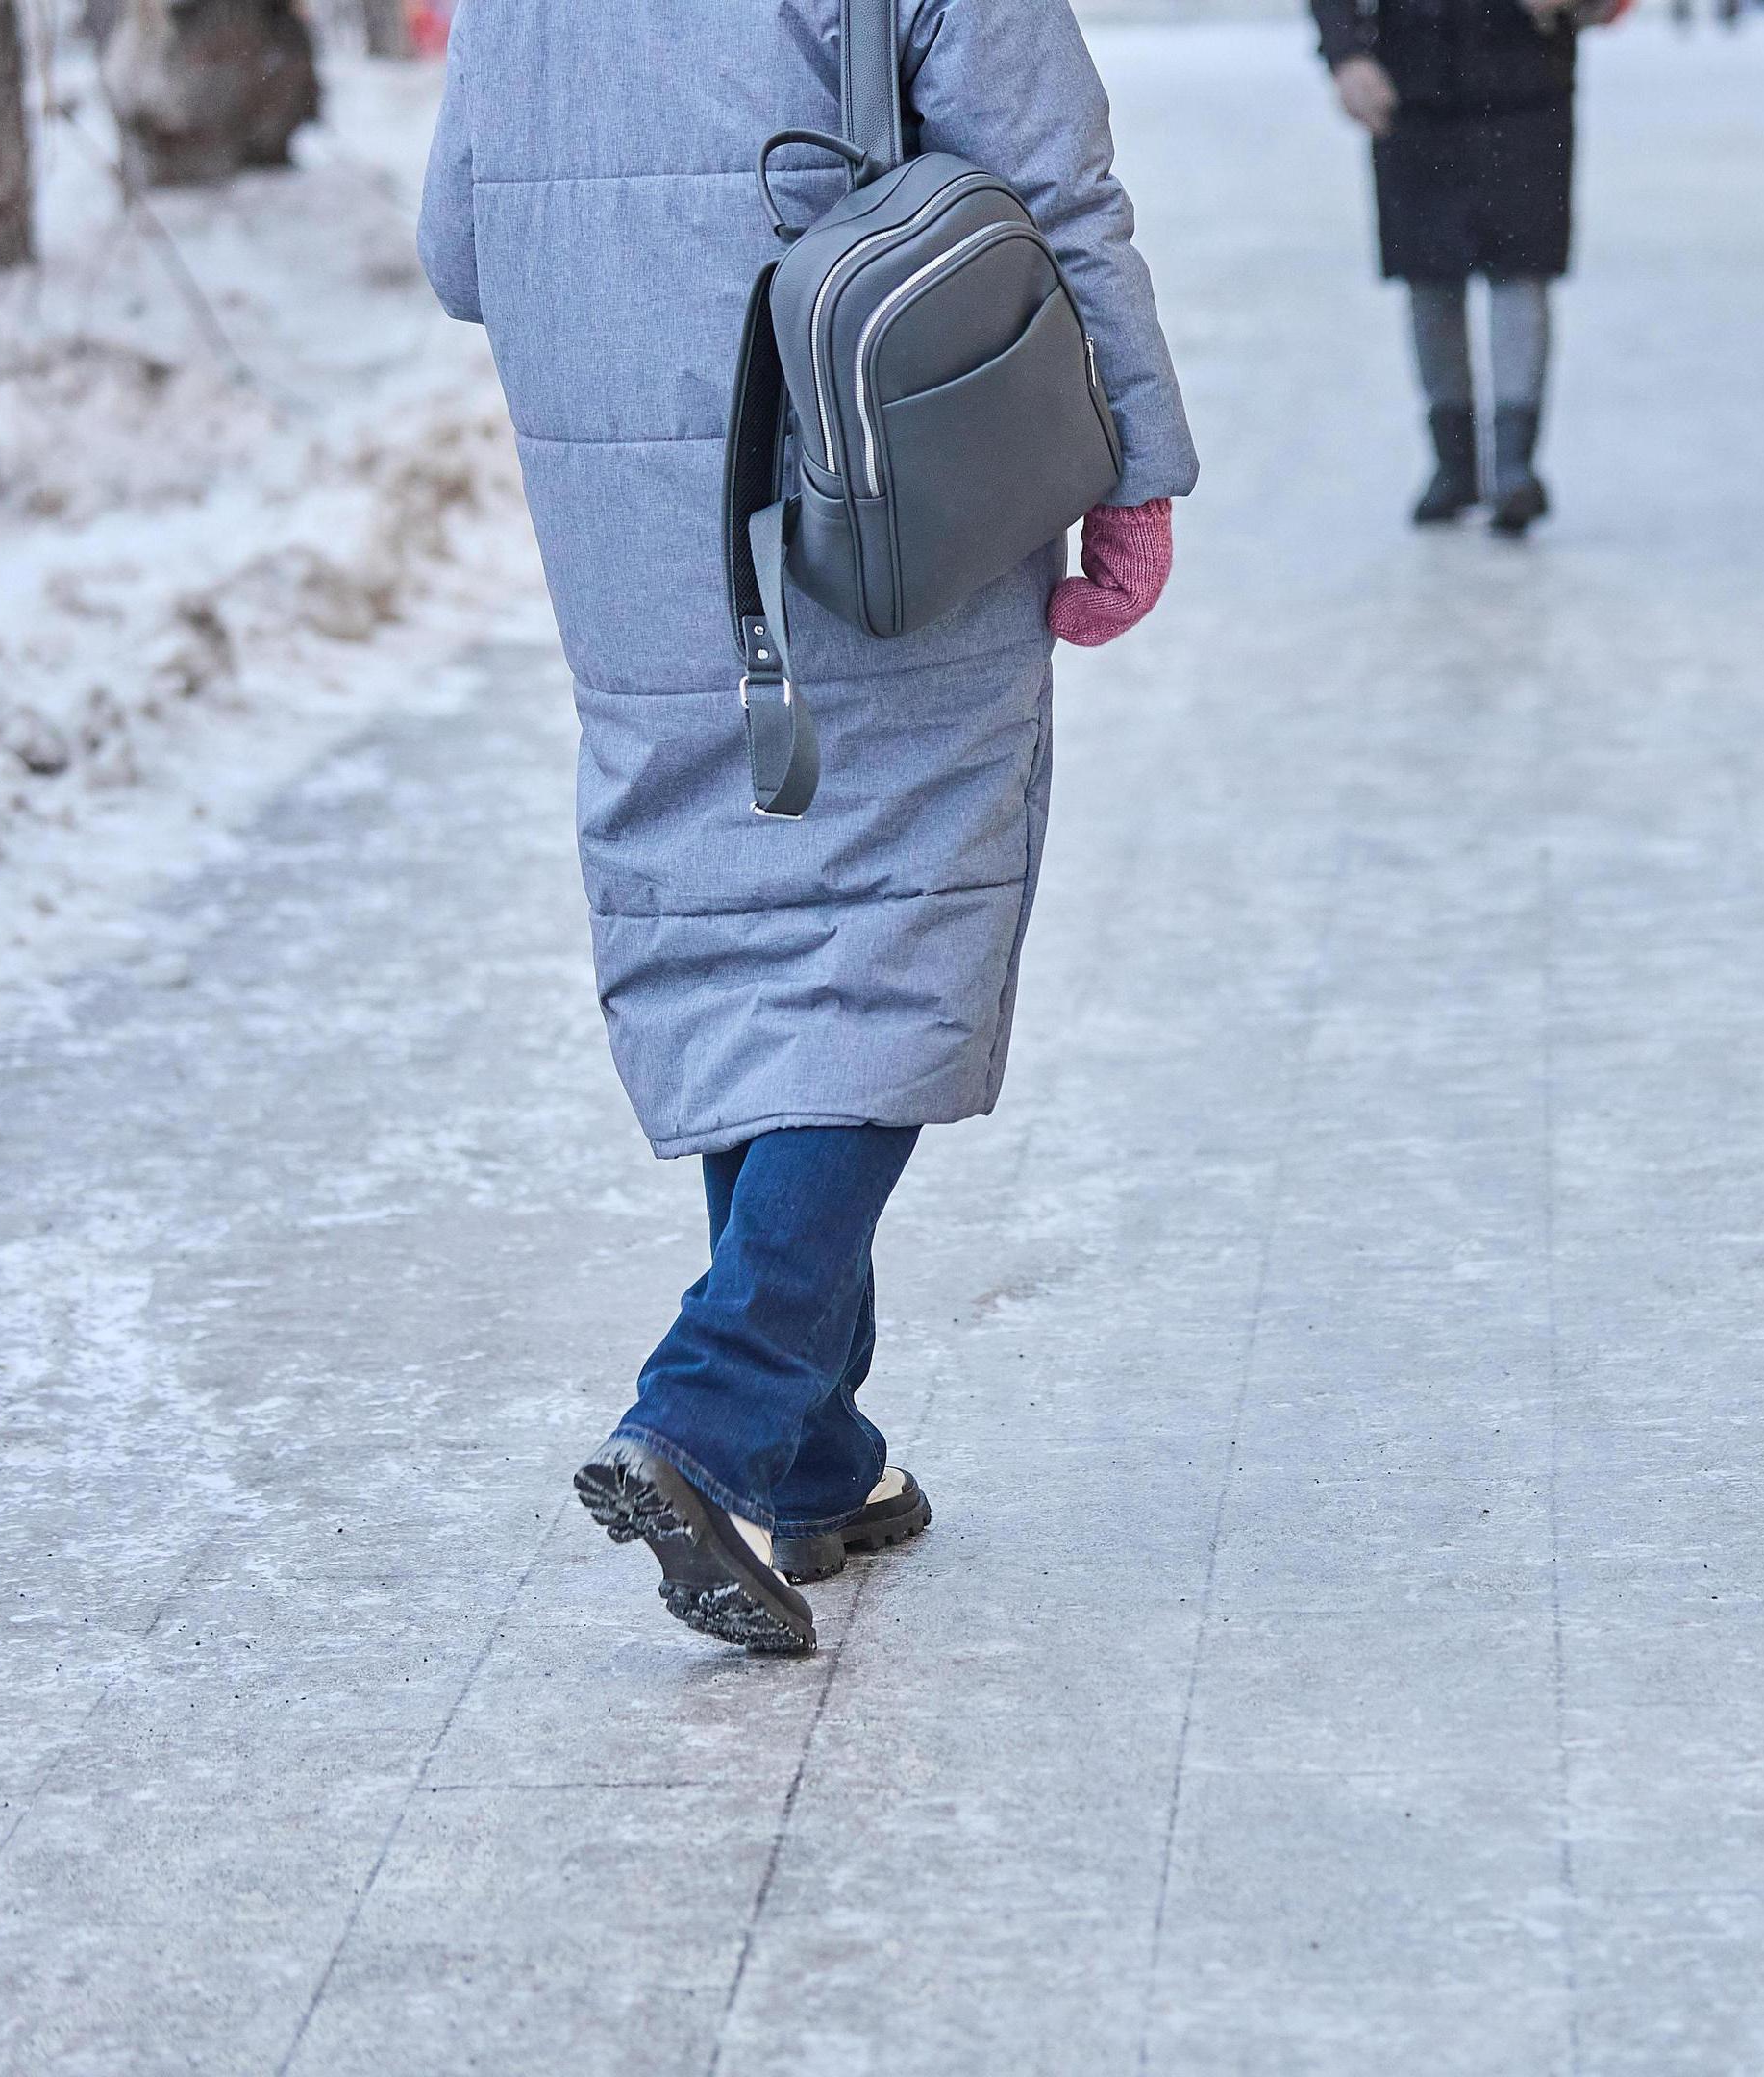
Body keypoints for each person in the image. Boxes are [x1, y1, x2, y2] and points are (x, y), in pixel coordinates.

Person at [417, 0, 1195, 1654]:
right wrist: (1132, 459)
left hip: (624, 497)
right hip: (872, 459)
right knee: (892, 939)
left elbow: (457, 249)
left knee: (739, 934)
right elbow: (1050, 186)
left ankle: (812, 1455)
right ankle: (709, 1412)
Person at [1314, 0, 1594, 533]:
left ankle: (1515, 467)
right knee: (1430, 277)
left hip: (1527, 82)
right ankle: (1453, 465)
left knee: (1521, 271)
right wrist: (1346, 54)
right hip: (1413, 83)